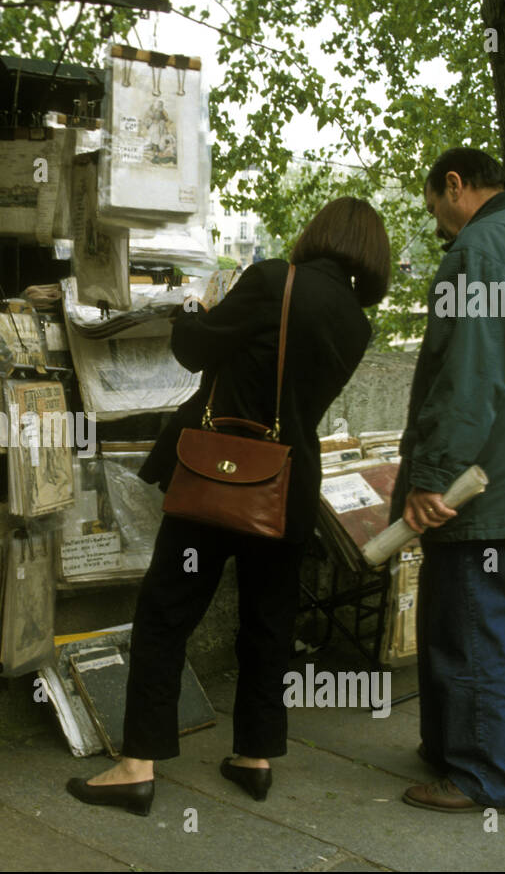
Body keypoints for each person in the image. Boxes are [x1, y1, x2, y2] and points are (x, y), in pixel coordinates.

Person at [65, 197, 392, 816]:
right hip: (287, 489)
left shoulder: (273, 279)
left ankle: (137, 765)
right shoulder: (356, 320)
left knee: (167, 612)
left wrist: (195, 309)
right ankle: (255, 756)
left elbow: (195, 349)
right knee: (269, 623)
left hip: (220, 480)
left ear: (318, 232)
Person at [394, 148, 505, 813]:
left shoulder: (481, 248)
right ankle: (450, 749)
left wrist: (433, 477)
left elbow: (469, 375)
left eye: (435, 211)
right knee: (458, 612)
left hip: (475, 478)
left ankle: (481, 776)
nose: (440, 226)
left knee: (472, 622)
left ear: (454, 186)